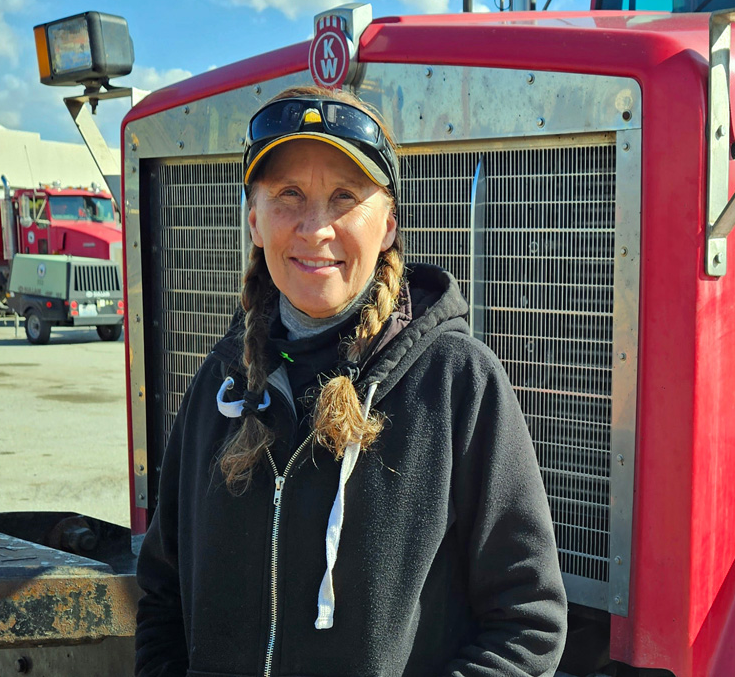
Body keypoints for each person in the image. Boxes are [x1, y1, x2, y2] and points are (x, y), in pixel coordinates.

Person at [135, 86, 566, 677]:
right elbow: (162, 594)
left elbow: (529, 619)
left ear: (388, 224)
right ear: (254, 218)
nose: (315, 229)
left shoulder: (456, 385)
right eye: (288, 195)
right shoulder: (220, 384)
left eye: (345, 197)